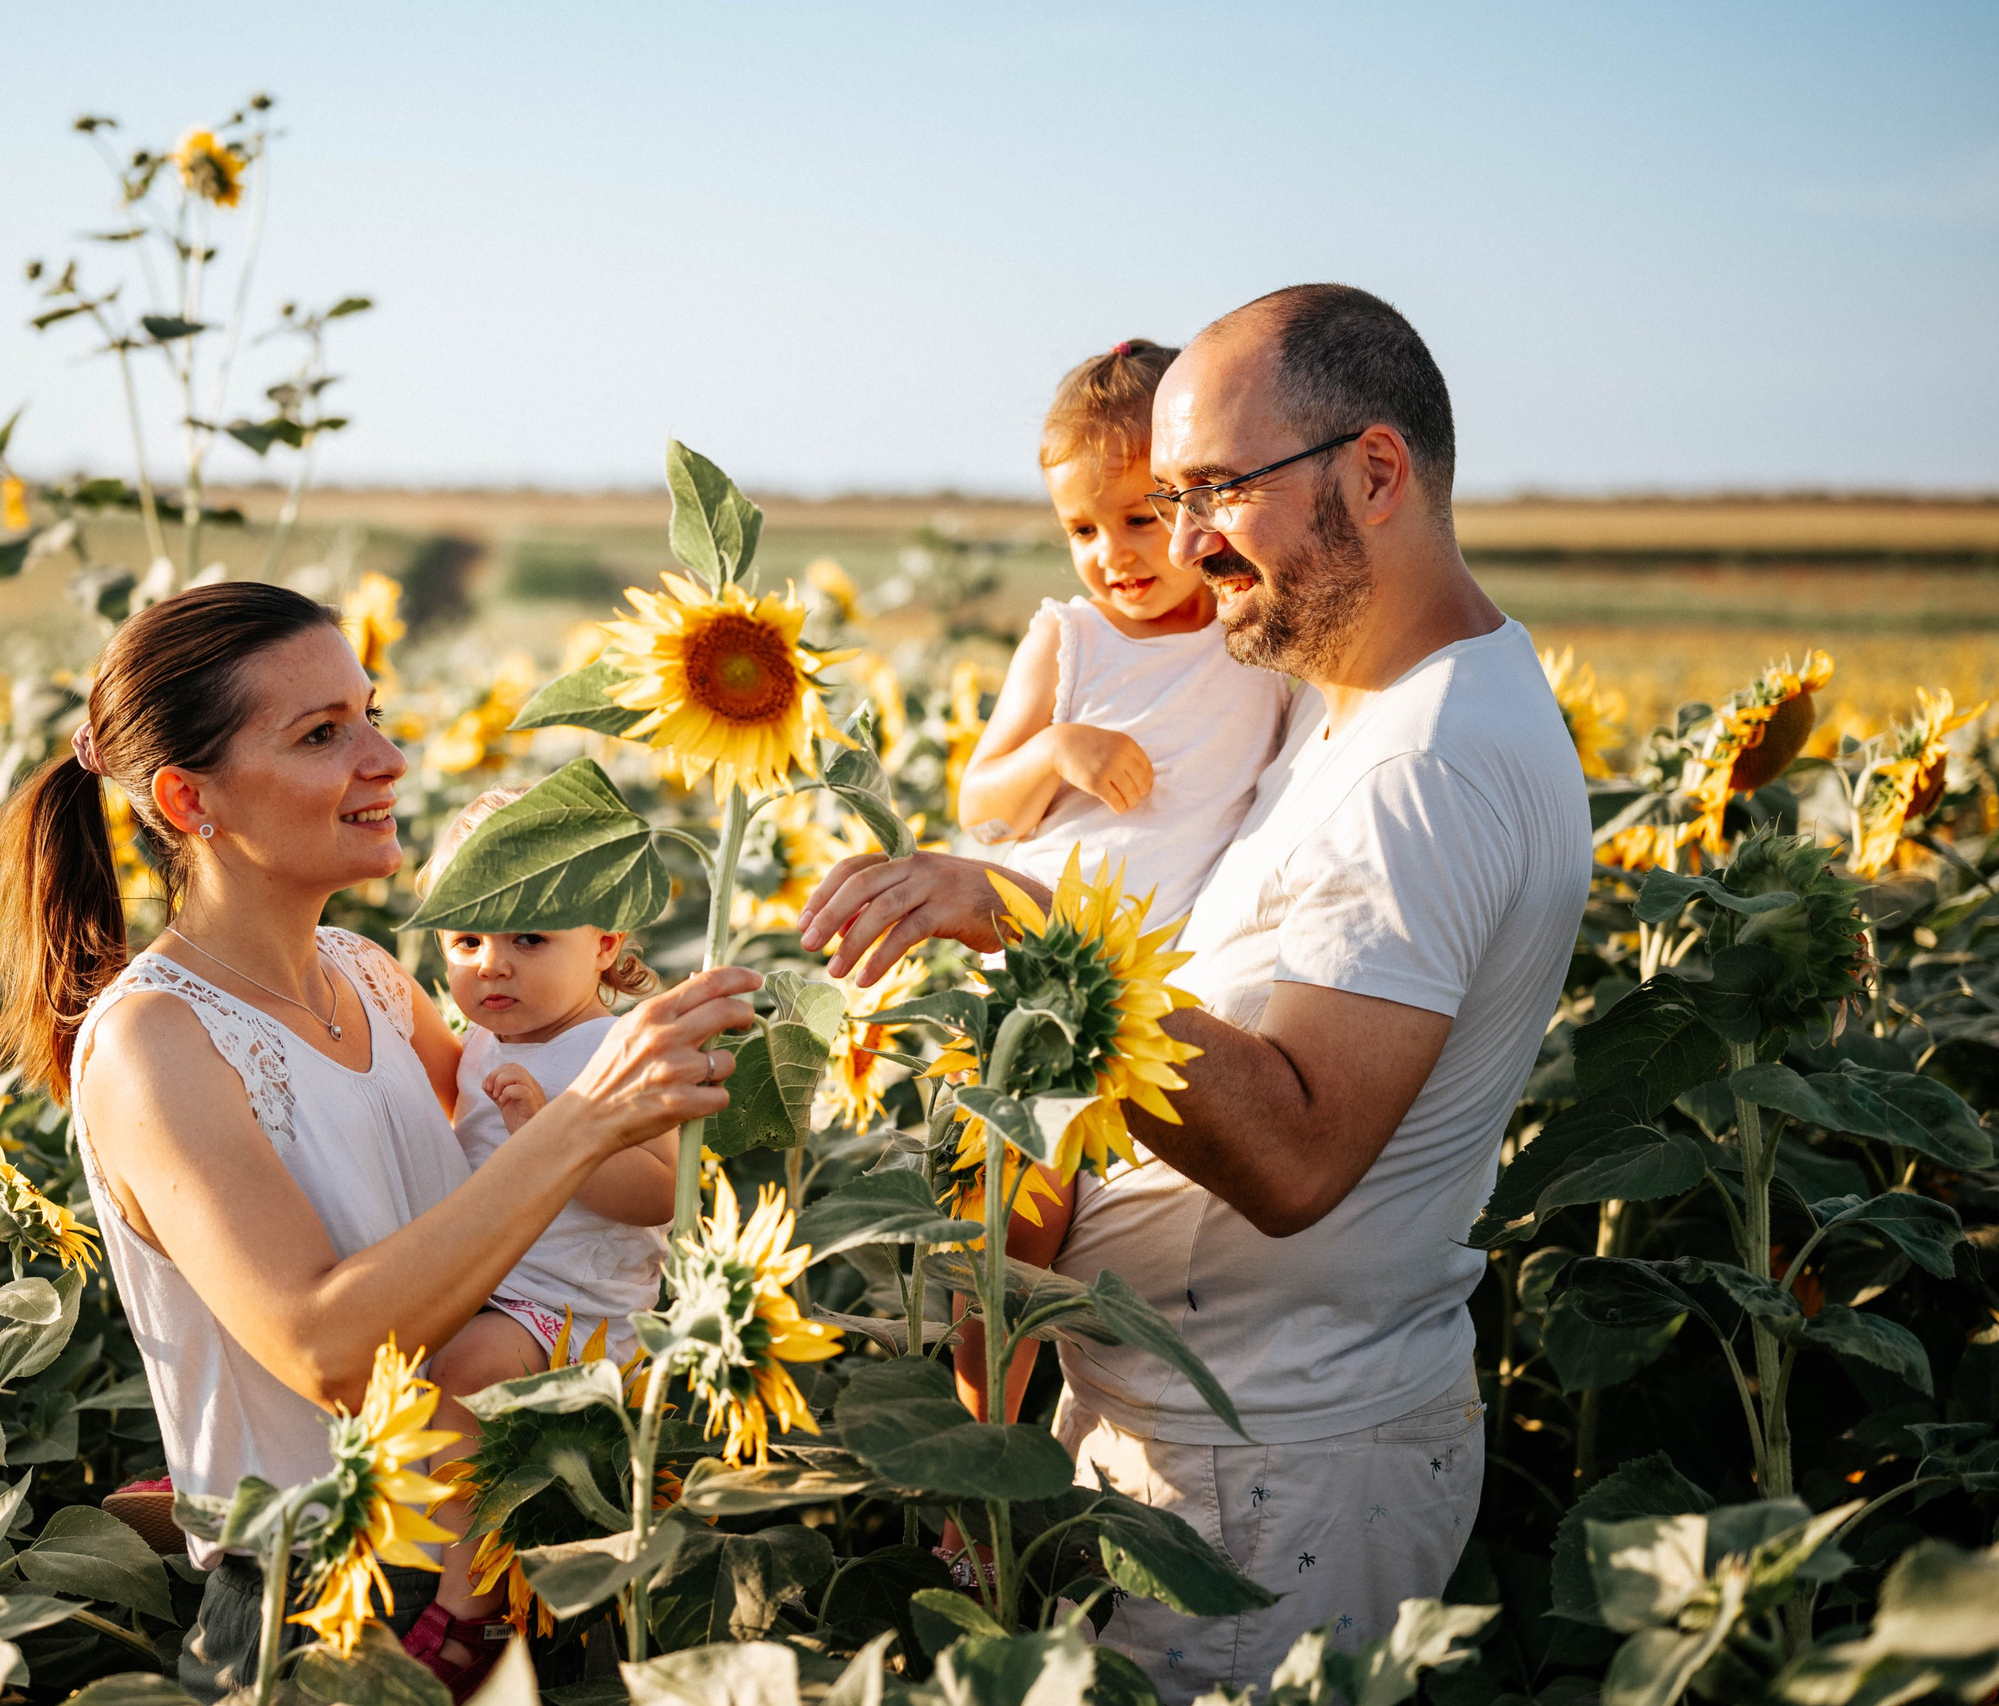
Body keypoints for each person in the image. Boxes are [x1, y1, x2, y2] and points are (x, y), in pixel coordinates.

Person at [796, 285, 1589, 1691]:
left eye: (1220, 488)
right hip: (1225, 1442)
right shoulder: (1359, 706)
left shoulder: (1423, 767)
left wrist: (1030, 919)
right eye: (1167, 497)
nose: (1187, 541)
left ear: (1377, 471)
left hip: (1270, 1469)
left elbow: (1291, 1153)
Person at [0, 583, 758, 1704]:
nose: (385, 757)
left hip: (508, 1540)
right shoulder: (156, 1036)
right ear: (189, 798)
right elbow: (323, 1346)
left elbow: (516, 1142)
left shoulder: (374, 977)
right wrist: (589, 1119)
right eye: (322, 734)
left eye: (370, 713)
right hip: (322, 1604)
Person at [958, 338, 1294, 931]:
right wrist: (1053, 751)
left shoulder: (1249, 630)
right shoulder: (1070, 642)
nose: (1112, 555)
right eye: (1082, 530)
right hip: (1049, 950)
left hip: (1176, 978)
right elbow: (980, 814)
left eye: (1139, 519)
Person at [417, 783, 675, 1384]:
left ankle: (443, 1483)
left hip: (574, 1311)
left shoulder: (620, 1051)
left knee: (467, 1368)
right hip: (481, 1283)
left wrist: (551, 1132)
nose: (491, 964)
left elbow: (658, 1195)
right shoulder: (481, 1043)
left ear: (604, 944)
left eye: (528, 937)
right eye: (467, 941)